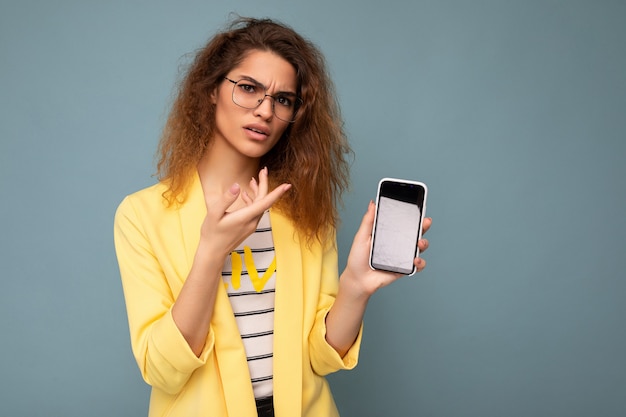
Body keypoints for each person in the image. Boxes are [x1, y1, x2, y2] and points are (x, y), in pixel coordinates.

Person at [114, 17, 431, 417]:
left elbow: (319, 359)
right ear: (212, 90)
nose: (265, 110)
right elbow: (162, 370)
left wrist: (355, 287)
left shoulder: (305, 211)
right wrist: (211, 251)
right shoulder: (143, 215)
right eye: (248, 88)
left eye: (283, 99)